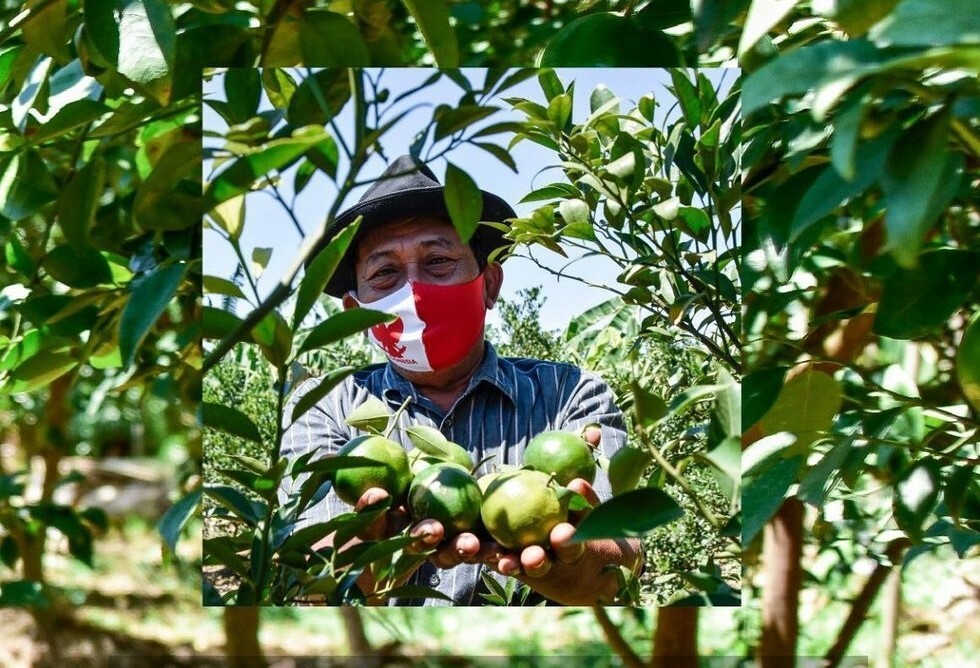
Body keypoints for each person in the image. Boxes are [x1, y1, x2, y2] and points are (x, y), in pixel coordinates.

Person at [279, 155, 641, 606]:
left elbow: (622, 565)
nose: (414, 290)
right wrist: (368, 553)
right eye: (385, 272)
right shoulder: (324, 404)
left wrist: (576, 560)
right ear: (357, 315)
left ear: (489, 284)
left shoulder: (571, 395)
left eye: (438, 260)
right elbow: (314, 582)